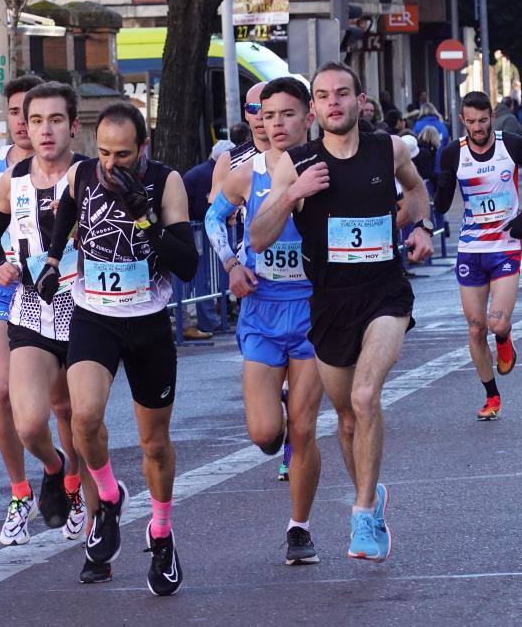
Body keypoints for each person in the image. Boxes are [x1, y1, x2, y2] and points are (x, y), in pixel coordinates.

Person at [249, 61, 434, 562]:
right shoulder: (297, 162)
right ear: (316, 108)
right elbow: (259, 238)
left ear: (359, 101)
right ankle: (372, 500)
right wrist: (292, 194)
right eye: (324, 95)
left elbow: (417, 191)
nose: (333, 102)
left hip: (384, 294)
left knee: (366, 392)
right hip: (329, 304)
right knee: (347, 419)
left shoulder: (387, 148)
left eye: (342, 93)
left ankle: (361, 514)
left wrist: (422, 228)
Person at [35, 102, 198, 595]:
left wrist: (145, 218)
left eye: (123, 155)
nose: (111, 164)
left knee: (154, 444)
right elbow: (65, 215)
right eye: (104, 152)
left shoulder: (166, 182)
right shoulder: (84, 173)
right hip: (95, 316)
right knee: (83, 418)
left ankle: (162, 534)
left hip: (147, 322)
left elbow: (187, 264)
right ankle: (108, 497)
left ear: (143, 148)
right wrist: (51, 259)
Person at [0, 75, 89, 548]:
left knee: (75, 412)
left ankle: (90, 500)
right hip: (30, 306)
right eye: (34, 120)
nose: (42, 129)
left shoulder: (89, 174)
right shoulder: (9, 179)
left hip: (85, 307)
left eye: (54, 120)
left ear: (73, 126)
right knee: (27, 419)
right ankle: (53, 471)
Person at [205, 77, 323, 565]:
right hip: (262, 309)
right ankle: (276, 416)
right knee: (263, 434)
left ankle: (299, 528)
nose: (275, 124)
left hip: (315, 311)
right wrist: (233, 265)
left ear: (307, 117)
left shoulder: (327, 167)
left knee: (303, 428)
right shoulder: (243, 173)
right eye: (267, 115)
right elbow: (213, 220)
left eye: (286, 115)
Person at [433, 91, 522, 420]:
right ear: (463, 121)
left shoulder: (510, 144)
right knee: (474, 328)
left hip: (505, 246)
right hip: (471, 250)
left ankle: (504, 337)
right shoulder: (453, 153)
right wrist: (442, 183)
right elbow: (441, 207)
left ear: (491, 118)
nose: (477, 128)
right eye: (471, 122)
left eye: (483, 121)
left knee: (497, 322)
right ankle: (491, 395)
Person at [181, 139, 235, 339]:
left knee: (202, 278)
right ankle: (208, 319)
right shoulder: (208, 174)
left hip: (193, 228)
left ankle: (209, 318)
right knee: (200, 277)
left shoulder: (205, 171)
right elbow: (209, 208)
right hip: (194, 229)